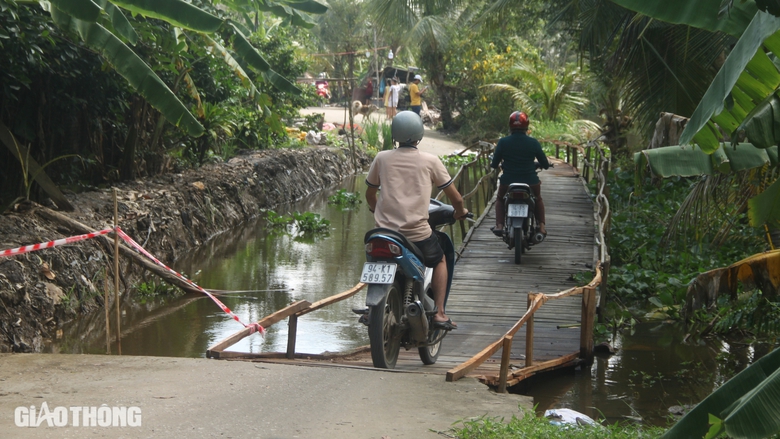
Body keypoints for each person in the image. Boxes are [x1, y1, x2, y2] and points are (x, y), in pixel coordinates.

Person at [365, 111, 468, 330]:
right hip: (416, 234)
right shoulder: (430, 161)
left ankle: (371, 309)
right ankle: (440, 313)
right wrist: (459, 212)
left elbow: (370, 195)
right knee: (440, 259)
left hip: (383, 233)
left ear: (395, 134)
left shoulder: (381, 158)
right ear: (419, 134)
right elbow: (456, 198)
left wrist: (378, 214)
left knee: (375, 259)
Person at [490, 111, 549, 236]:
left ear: (510, 126)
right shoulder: (533, 143)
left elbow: (494, 164)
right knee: (537, 199)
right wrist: (543, 165)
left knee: (500, 199)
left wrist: (497, 164)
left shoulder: (503, 142)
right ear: (526, 126)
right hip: (531, 181)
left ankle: (499, 225)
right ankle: (542, 227)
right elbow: (544, 163)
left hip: (508, 182)